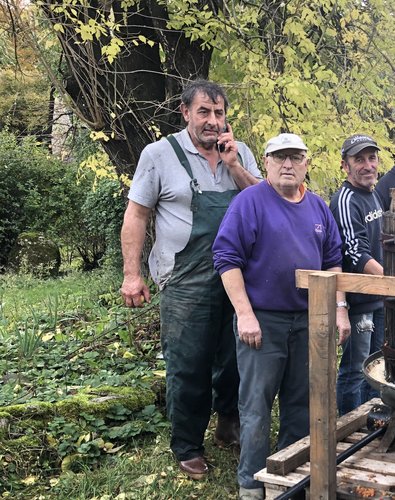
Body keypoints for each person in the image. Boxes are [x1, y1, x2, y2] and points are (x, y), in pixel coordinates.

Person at [120, 79, 261, 480]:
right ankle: (187, 444)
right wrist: (132, 275)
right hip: (185, 279)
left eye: (219, 113)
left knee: (236, 355)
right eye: (204, 112)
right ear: (185, 113)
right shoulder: (159, 155)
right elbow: (137, 216)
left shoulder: (241, 152)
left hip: (237, 276)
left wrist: (235, 165)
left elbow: (263, 201)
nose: (213, 122)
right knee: (189, 363)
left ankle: (228, 422)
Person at [213, 133, 349, 499]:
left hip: (309, 320)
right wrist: (245, 314)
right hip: (263, 321)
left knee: (302, 402)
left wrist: (339, 309)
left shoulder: (319, 207)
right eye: (279, 158)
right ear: (266, 161)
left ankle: (290, 478)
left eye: (295, 157)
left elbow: (333, 261)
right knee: (256, 405)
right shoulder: (249, 202)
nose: (288, 165)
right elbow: (226, 259)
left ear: (307, 163)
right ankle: (251, 486)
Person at [330, 134, 385, 415]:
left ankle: (371, 423)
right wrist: (390, 279)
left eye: (371, 158)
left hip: (379, 299)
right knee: (355, 369)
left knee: (377, 367)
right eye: (359, 159)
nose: (367, 165)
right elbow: (355, 251)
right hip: (357, 301)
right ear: (345, 166)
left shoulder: (372, 193)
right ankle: (347, 430)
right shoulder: (346, 198)